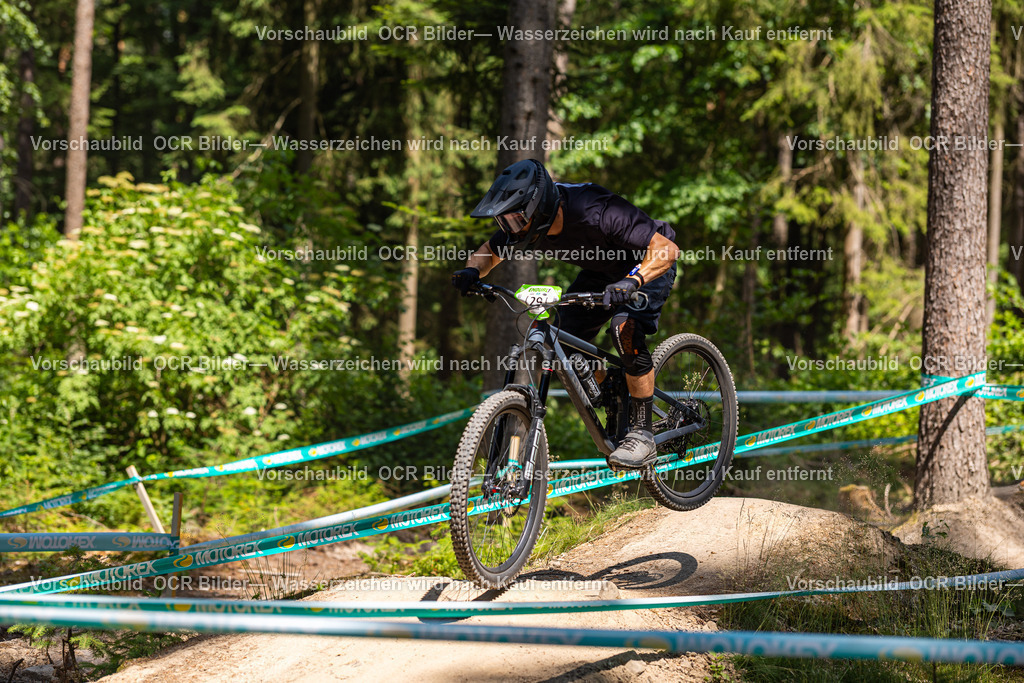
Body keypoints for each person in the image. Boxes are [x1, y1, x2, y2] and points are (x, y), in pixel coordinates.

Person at [451, 159, 680, 469]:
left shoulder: (596, 209)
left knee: (624, 328)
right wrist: (471, 271)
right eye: (505, 222)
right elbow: (490, 250)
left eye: (516, 221)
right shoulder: (527, 224)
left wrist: (634, 280)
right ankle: (613, 386)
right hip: (601, 275)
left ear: (539, 207)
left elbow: (666, 248)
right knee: (563, 337)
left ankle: (642, 435)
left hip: (647, 267)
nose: (511, 230)